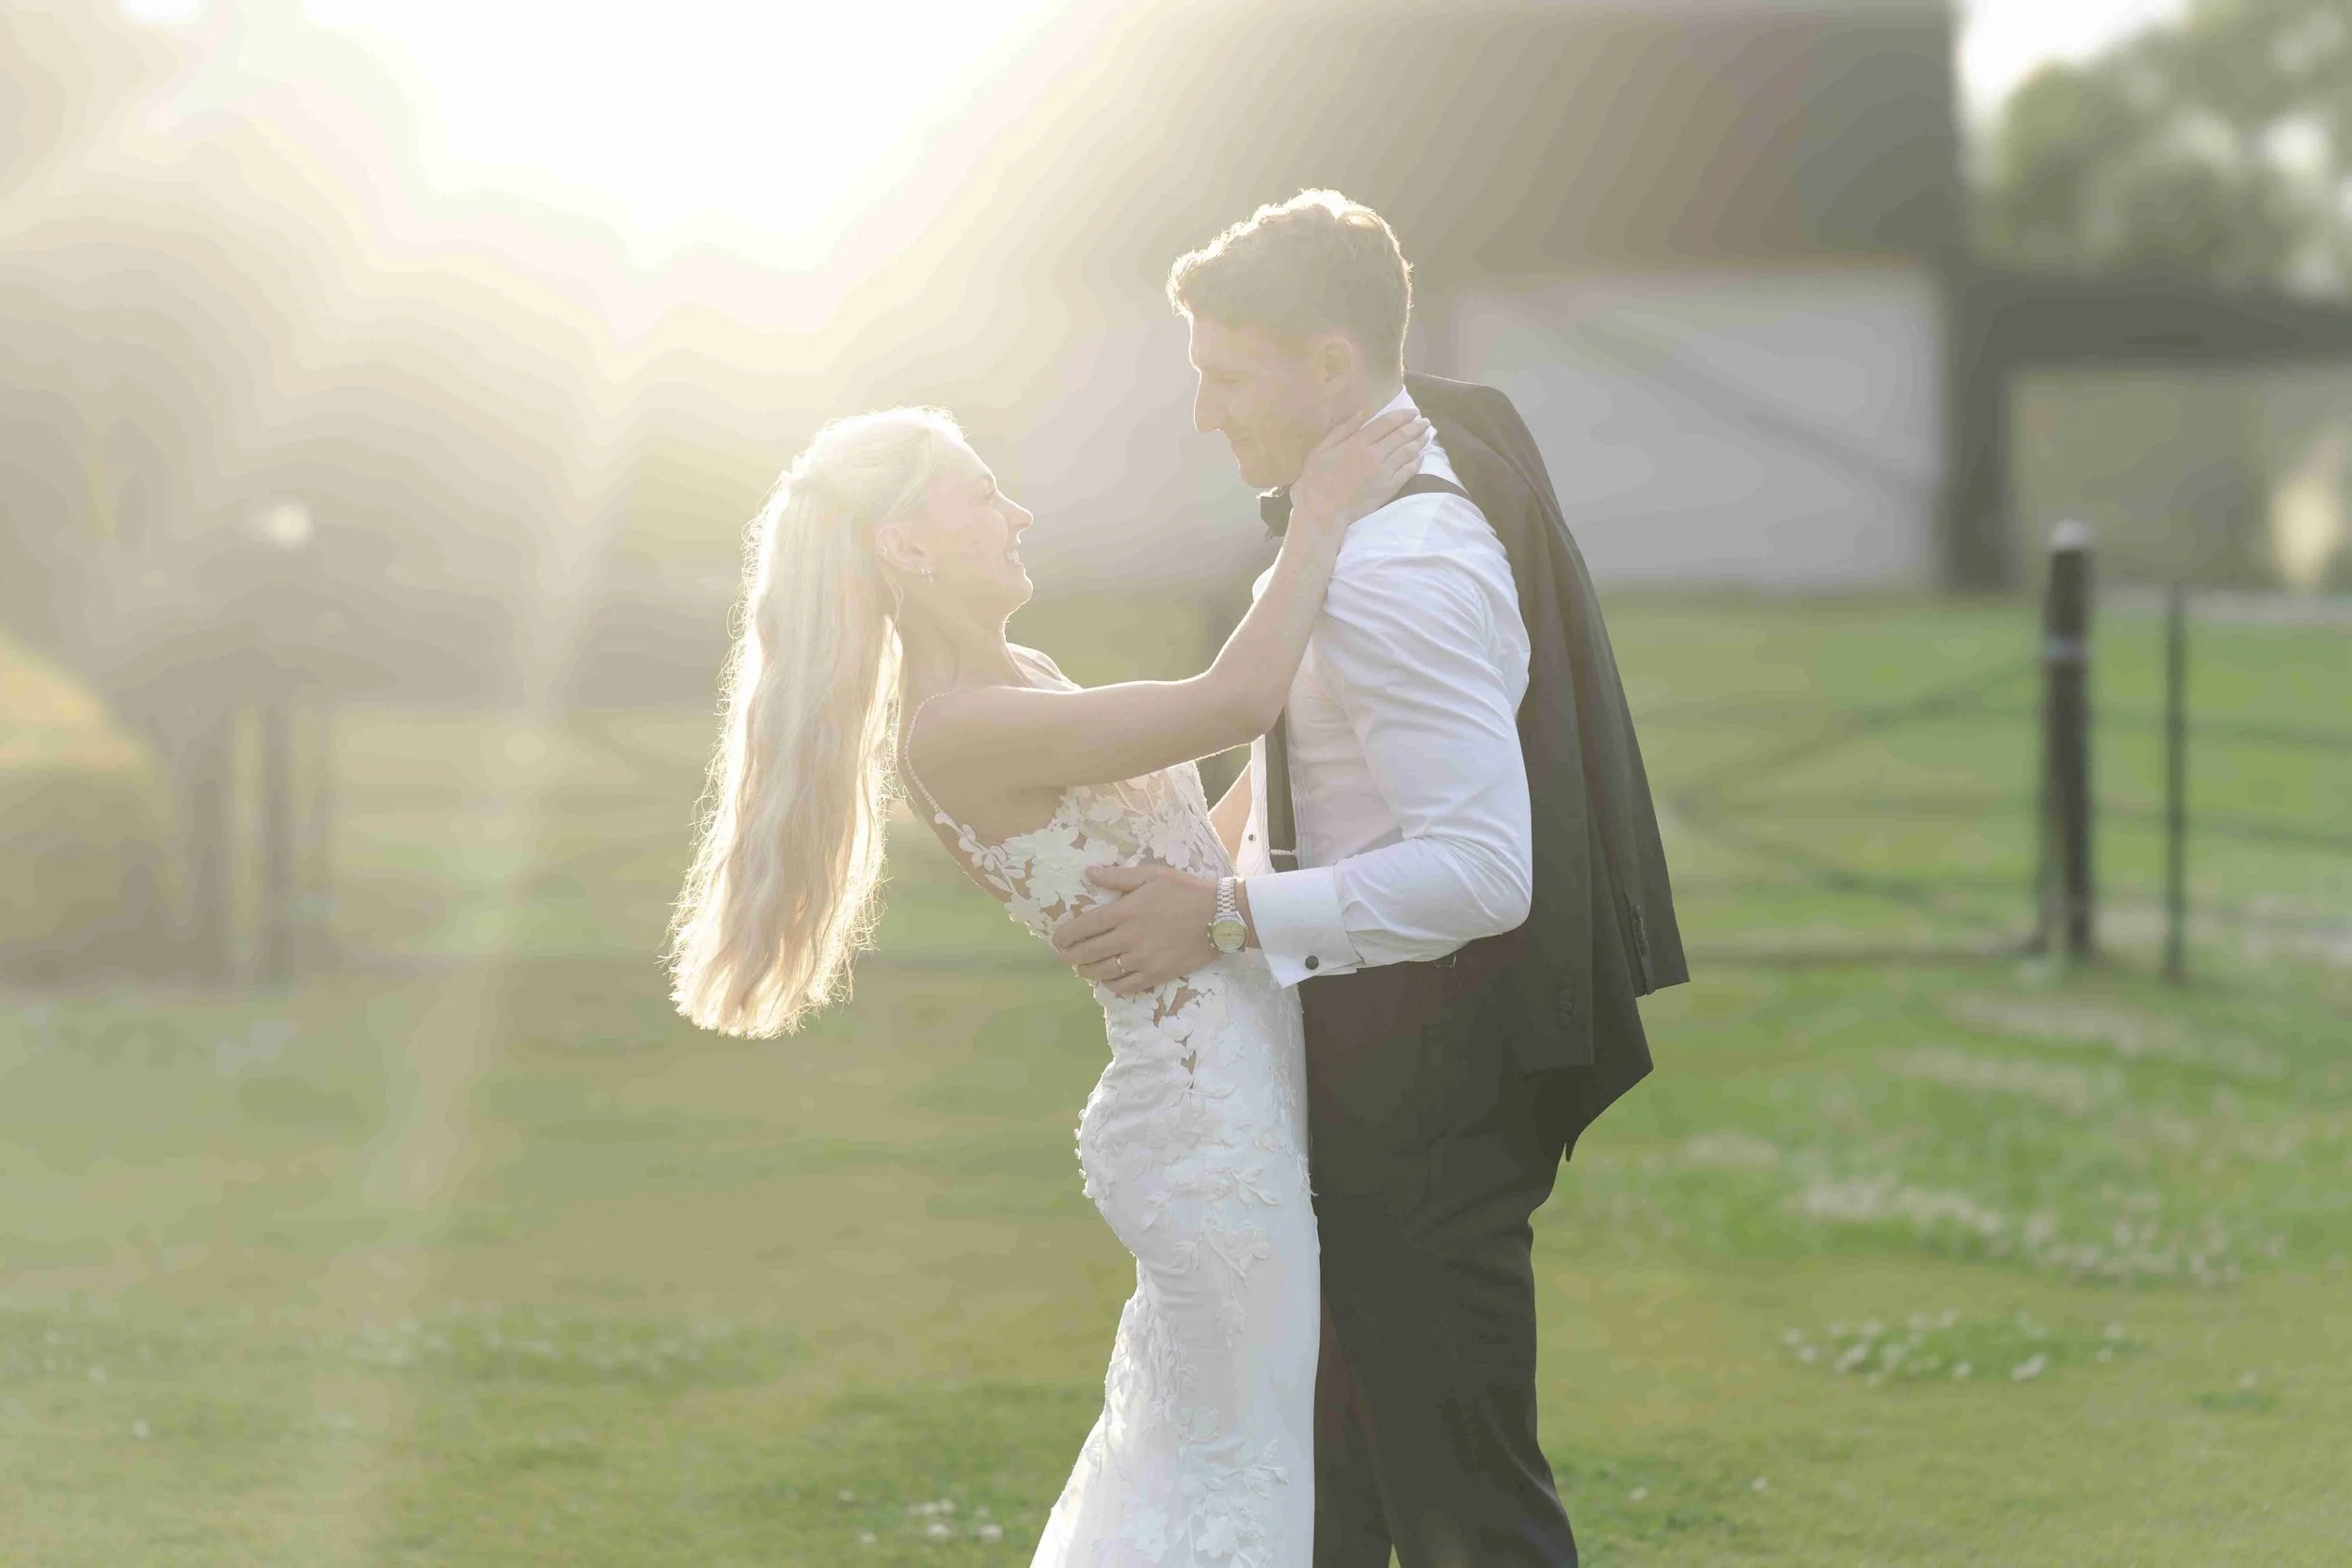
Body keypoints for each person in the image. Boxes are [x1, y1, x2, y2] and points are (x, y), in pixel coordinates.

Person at [667, 392, 1431, 1565]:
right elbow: (1230, 704)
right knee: (1244, 1463)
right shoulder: (956, 728)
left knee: (1227, 1448)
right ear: (906, 544)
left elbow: (1199, 844)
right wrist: (1316, 519)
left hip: (1238, 1083)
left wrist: (1286, 776)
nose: (1017, 511)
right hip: (1203, 1125)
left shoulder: (1025, 673)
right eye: (983, 492)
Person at [1050, 190, 1687, 1566]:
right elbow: (1323, 764)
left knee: (1469, 1508)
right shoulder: (1388, 487)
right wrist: (1203, 851)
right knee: (1337, 1493)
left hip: (1430, 1099)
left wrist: (1220, 917)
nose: (1207, 413)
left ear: (1331, 369)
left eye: (1227, 378)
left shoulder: (1399, 568)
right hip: (1356, 1078)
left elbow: (1480, 870)